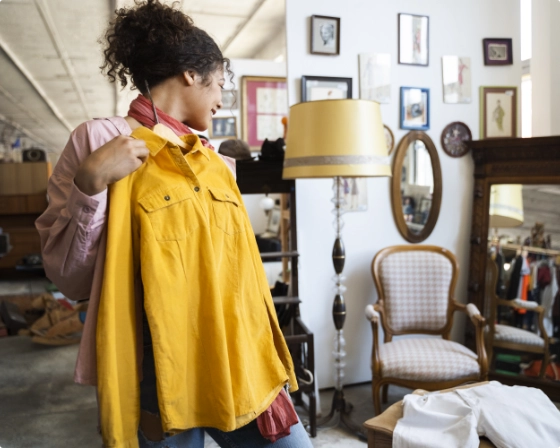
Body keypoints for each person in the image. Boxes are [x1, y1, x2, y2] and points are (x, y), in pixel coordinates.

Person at [35, 2, 311, 447]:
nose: (222, 99)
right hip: (159, 362)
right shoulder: (103, 139)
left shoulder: (214, 159)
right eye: (221, 84)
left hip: (236, 350)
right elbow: (69, 277)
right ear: (190, 74)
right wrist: (90, 185)